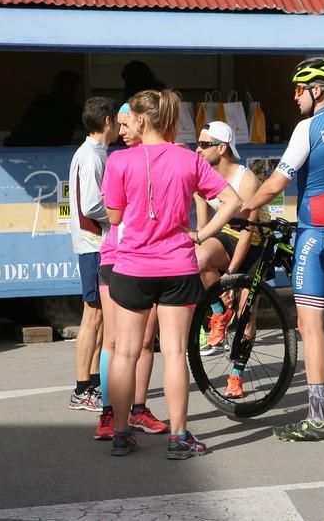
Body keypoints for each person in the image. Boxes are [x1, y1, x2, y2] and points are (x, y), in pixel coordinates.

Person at [102, 89, 241, 458]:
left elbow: (114, 218)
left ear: (142, 121)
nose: (127, 125)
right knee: (176, 352)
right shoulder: (188, 159)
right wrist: (202, 234)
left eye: (130, 119)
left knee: (125, 353)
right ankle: (178, 437)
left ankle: (120, 432)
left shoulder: (119, 161)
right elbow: (233, 201)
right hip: (179, 264)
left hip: (131, 266)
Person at [241, 57, 324, 442]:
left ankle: (317, 417)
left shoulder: (307, 128)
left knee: (310, 327)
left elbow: (278, 182)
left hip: (316, 231)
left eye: (299, 89)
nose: (294, 96)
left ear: (317, 90)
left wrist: (245, 206)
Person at [93, 103, 169, 441]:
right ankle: (110, 413)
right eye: (119, 125)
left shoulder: (162, 158)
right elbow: (111, 214)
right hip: (116, 258)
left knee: (145, 343)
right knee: (114, 340)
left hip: (149, 261)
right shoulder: (120, 161)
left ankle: (138, 409)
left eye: (126, 125)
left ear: (142, 123)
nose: (121, 132)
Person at [193, 121, 268, 398]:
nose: (197, 149)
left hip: (254, 243)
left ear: (222, 148)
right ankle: (218, 312)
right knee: (198, 258)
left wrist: (230, 279)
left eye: (203, 144)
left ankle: (236, 376)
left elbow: (248, 234)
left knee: (247, 313)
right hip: (226, 236)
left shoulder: (246, 179)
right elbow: (202, 230)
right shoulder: (201, 177)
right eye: (197, 144)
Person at [67, 96, 119, 412]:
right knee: (94, 315)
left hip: (96, 244)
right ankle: (81, 388)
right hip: (93, 245)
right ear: (108, 121)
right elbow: (91, 205)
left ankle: (95, 384)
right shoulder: (92, 157)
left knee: (100, 317)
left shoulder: (96, 152)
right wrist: (120, 215)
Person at [4, 70, 82, 147]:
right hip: (45, 148)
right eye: (77, 88)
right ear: (71, 89)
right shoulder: (70, 108)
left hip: (24, 145)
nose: (78, 92)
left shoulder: (41, 101)